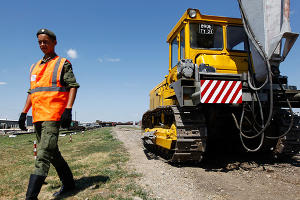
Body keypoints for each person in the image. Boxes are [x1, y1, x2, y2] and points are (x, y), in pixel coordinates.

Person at [18, 28, 80, 200]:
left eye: (46, 41)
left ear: (54, 42)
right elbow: (32, 92)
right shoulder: (34, 67)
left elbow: (73, 86)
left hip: (53, 116)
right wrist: (24, 113)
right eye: (39, 42)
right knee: (53, 154)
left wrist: (68, 109)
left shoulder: (62, 63)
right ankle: (69, 184)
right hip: (38, 116)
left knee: (43, 155)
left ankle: (31, 197)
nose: (42, 45)